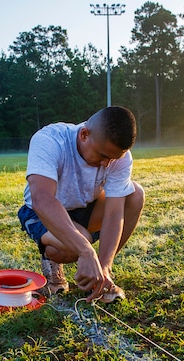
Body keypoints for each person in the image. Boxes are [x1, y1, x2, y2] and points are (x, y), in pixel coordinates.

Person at [17, 106, 144, 303]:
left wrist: (104, 267)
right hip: (40, 212)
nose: (106, 164)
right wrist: (86, 250)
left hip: (86, 208)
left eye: (112, 159)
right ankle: (52, 260)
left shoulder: (119, 157)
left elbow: (113, 214)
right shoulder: (50, 139)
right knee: (78, 241)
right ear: (84, 134)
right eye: (102, 155)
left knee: (135, 195)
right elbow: (43, 199)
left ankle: (98, 278)